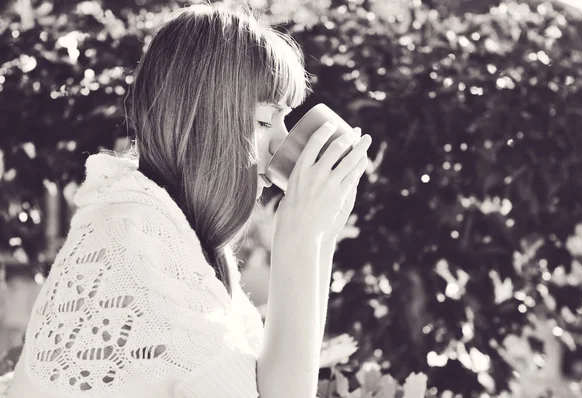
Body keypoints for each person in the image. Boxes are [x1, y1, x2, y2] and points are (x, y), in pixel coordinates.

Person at [5, 2, 371, 397]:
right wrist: (298, 239)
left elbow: (272, 380)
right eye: (265, 121)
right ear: (204, 121)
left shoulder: (173, 236)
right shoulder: (139, 243)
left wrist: (320, 239)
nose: (281, 142)